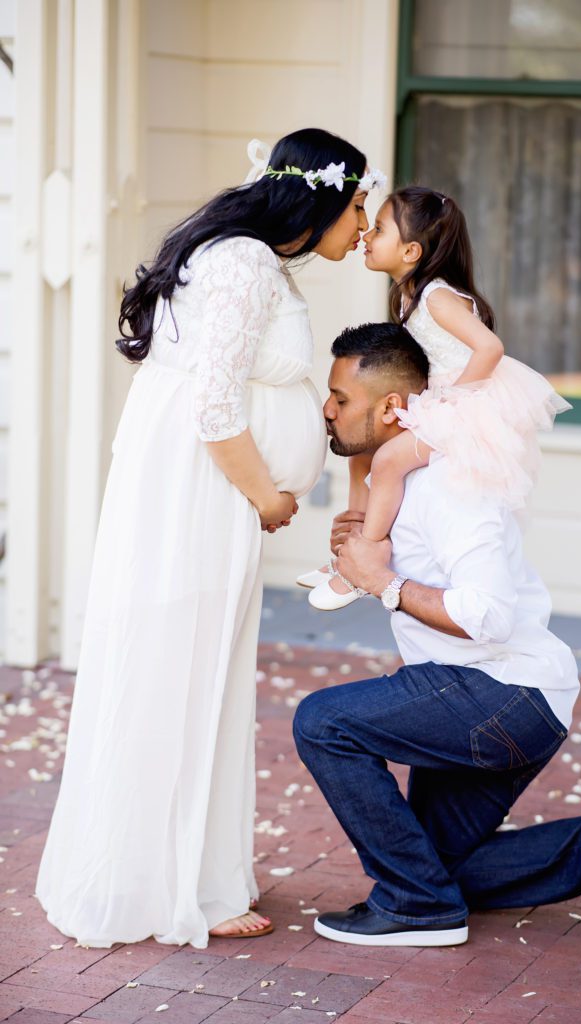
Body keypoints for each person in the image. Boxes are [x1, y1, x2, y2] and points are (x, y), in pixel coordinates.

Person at [36, 129, 387, 949]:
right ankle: (172, 887)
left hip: (204, 492)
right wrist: (267, 496)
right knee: (182, 675)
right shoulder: (243, 262)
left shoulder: (249, 259)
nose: (364, 225)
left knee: (199, 676)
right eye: (358, 206)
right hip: (199, 497)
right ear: (319, 201)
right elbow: (213, 405)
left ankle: (190, 871)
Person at [293, 321, 581, 947]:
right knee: (429, 863)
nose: (328, 410)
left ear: (390, 407)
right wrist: (363, 554)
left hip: (507, 694)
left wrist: (383, 582)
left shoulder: (451, 486)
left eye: (340, 398)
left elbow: (488, 615)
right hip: (489, 693)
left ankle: (417, 909)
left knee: (321, 722)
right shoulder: (400, 483)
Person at [304, 186, 570, 610]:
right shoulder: (408, 295)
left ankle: (365, 563)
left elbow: (490, 348)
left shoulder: (436, 297)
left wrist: (451, 407)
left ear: (410, 251)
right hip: (438, 399)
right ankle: (350, 551)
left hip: (466, 404)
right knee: (362, 455)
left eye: (378, 229)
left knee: (388, 462)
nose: (367, 236)